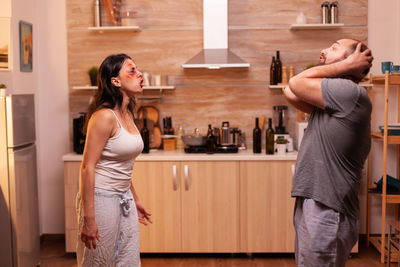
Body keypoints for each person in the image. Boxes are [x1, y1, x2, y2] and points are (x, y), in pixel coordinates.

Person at [283, 39, 373, 266]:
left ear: (351, 60)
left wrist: (348, 67)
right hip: (318, 202)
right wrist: (344, 66)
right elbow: (290, 91)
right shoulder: (334, 99)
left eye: (334, 47)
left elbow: (295, 82)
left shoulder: (349, 93)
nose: (323, 50)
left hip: (328, 209)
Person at [76, 53, 152, 267]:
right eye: (132, 70)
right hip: (101, 198)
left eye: (138, 69)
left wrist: (135, 198)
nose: (139, 74)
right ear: (115, 81)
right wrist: (89, 218)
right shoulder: (104, 117)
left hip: (123, 197)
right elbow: (87, 167)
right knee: (98, 262)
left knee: (128, 260)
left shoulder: (127, 113)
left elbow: (123, 166)